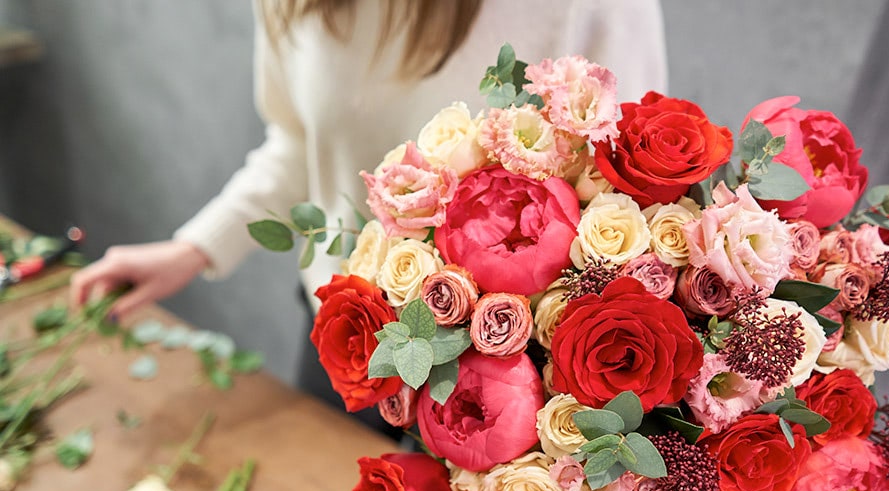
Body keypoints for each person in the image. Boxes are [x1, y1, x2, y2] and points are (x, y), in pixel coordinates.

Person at [70, 0, 669, 431]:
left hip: (511, 380)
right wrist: (195, 248)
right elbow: (300, 145)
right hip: (350, 336)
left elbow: (628, 188)